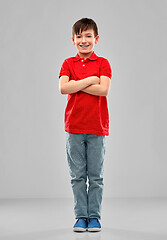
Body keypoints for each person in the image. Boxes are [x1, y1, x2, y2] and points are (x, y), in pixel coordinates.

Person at [59, 18, 112, 232]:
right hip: (73, 128)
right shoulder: (67, 63)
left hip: (97, 128)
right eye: (79, 36)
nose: (84, 40)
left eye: (88, 36)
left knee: (96, 177)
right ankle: (81, 217)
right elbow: (63, 88)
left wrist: (76, 85)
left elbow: (104, 90)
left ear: (96, 39)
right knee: (77, 176)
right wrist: (92, 79)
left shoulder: (103, 63)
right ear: (73, 40)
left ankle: (95, 218)